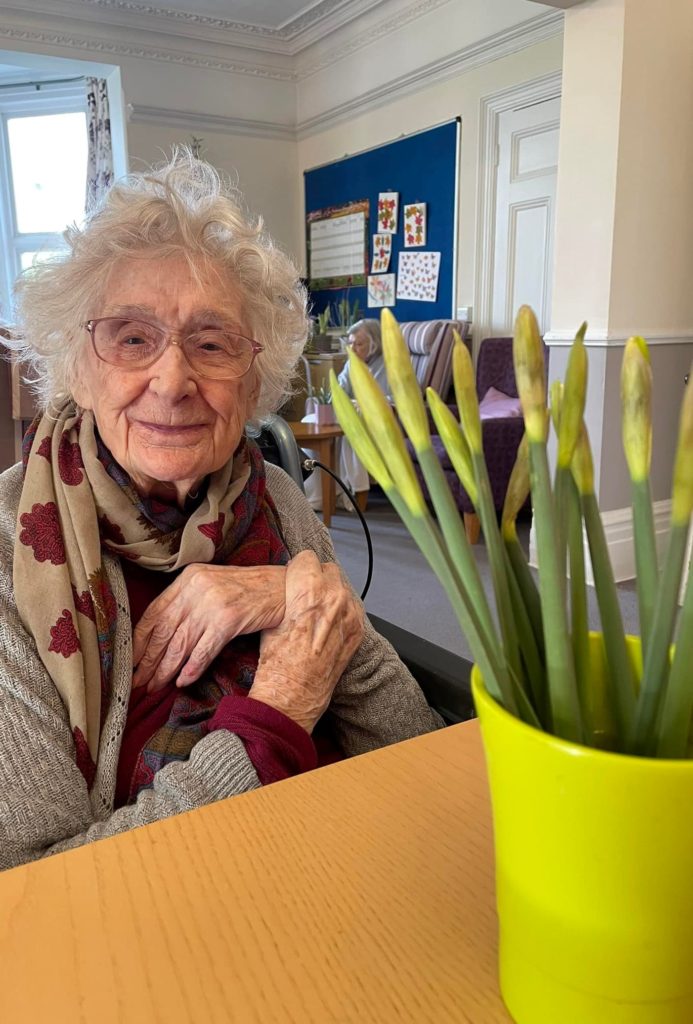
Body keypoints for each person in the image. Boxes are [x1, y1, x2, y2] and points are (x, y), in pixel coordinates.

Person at [0, 151, 441, 872]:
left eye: (211, 344)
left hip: (343, 840)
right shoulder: (10, 548)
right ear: (78, 364)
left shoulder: (272, 496)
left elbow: (409, 738)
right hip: (179, 909)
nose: (172, 381)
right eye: (132, 337)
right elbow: (41, 883)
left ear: (253, 379)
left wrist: (291, 593)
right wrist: (273, 717)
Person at [304, 319, 391, 509]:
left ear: (374, 344)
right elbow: (339, 392)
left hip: (377, 424)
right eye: (350, 343)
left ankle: (346, 490)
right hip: (351, 415)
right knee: (310, 418)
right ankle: (317, 492)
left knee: (351, 428)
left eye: (359, 344)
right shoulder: (352, 364)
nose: (353, 348)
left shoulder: (389, 364)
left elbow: (398, 399)